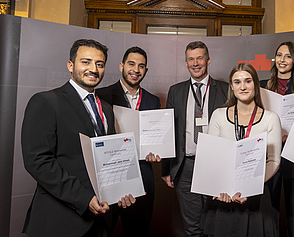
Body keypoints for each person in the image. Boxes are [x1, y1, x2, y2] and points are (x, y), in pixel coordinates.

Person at [21, 39, 134, 237]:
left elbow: (108, 157)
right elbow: (37, 161)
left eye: (99, 64)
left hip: (100, 220)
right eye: (86, 62)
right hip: (60, 219)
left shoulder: (106, 109)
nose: (93, 69)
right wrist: (83, 198)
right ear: (70, 65)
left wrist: (121, 190)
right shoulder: (46, 102)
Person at [204, 62, 282, 237]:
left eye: (248, 81)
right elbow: (211, 158)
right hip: (223, 196)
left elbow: (274, 160)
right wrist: (219, 188)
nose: (243, 86)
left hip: (256, 196)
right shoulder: (218, 115)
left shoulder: (271, 118)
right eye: (237, 82)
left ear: (255, 84)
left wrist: (250, 187)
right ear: (231, 86)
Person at [161, 41, 228, 237]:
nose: (195, 63)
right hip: (186, 167)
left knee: (218, 224)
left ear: (208, 61)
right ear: (186, 62)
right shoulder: (176, 90)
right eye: (191, 59)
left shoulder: (226, 89)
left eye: (199, 58)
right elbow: (169, 131)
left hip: (216, 165)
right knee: (192, 228)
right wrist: (167, 169)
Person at [97, 46, 161, 237]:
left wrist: (155, 152)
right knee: (101, 232)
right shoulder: (101, 96)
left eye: (141, 66)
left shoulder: (153, 100)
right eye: (131, 64)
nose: (136, 69)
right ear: (121, 66)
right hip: (109, 177)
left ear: (146, 71)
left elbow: (154, 138)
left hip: (142, 178)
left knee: (138, 232)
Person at [261, 41, 294, 236]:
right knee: (269, 213)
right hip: (270, 154)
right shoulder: (261, 87)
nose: (282, 60)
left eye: (288, 56)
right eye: (279, 55)